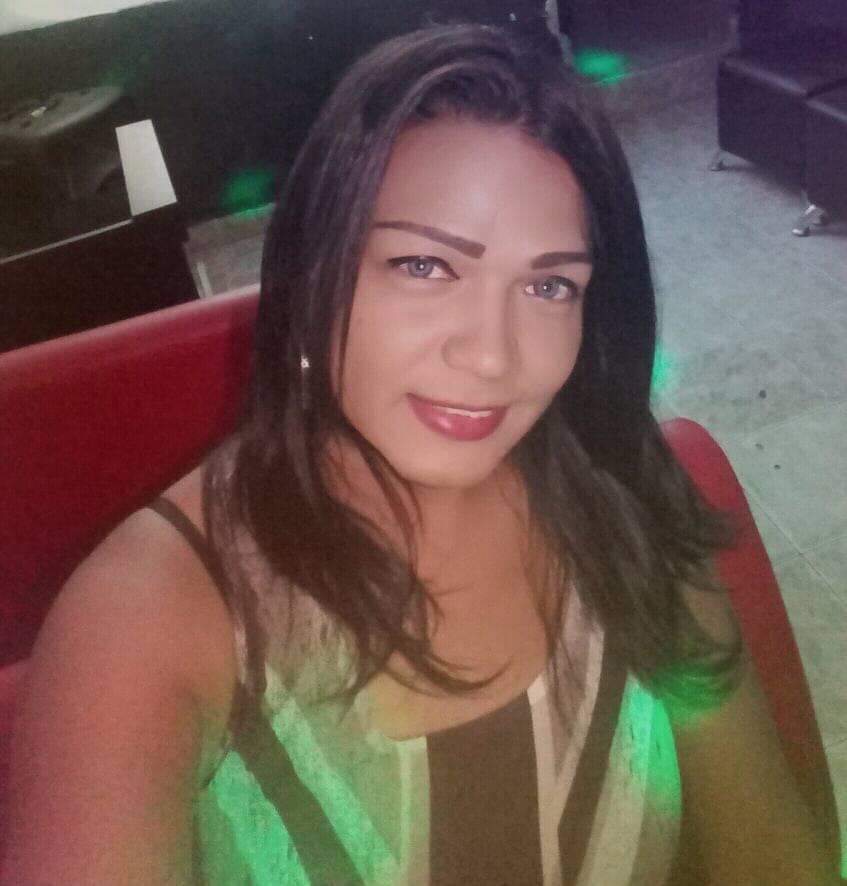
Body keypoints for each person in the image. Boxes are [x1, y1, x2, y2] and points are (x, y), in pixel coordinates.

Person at [2, 21, 839, 886]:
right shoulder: (149, 621)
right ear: (316, 267)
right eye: (425, 266)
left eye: (548, 284)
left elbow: (770, 854)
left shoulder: (617, 487)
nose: (491, 355)